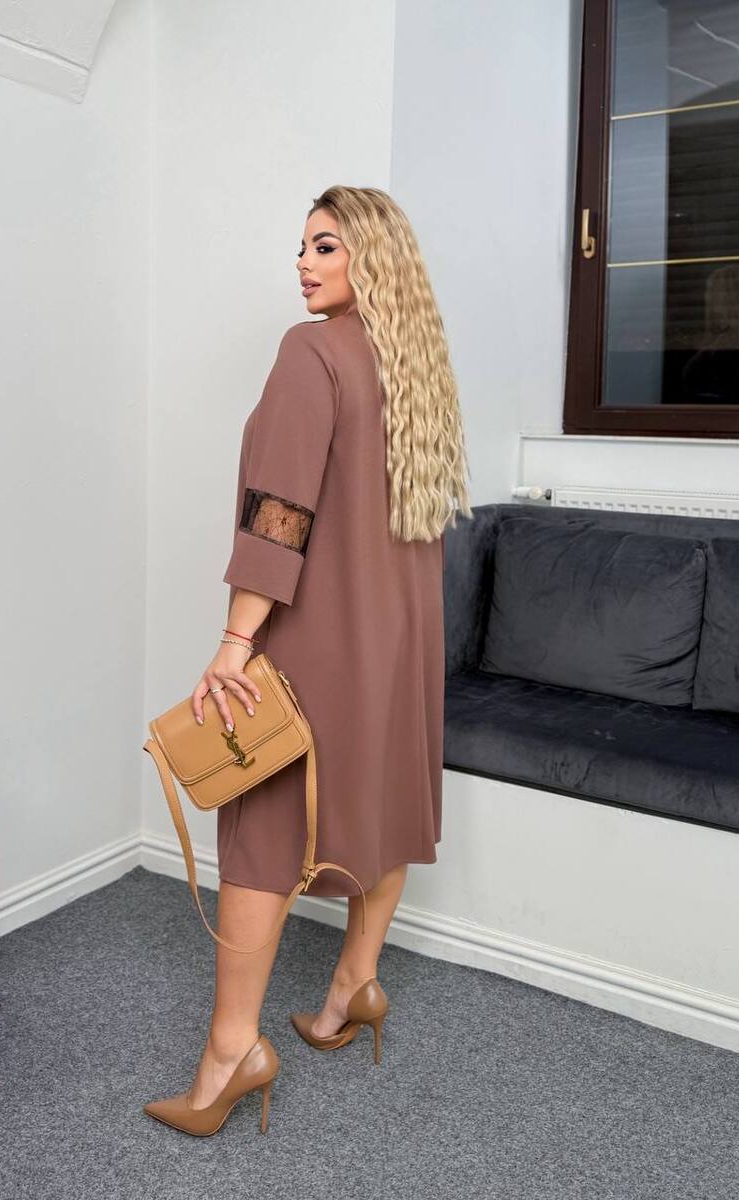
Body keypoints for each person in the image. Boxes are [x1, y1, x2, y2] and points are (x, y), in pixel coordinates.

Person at [143, 185, 472, 1137]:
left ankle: (230, 1056)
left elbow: (280, 513)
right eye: (301, 247)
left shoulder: (311, 351)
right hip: (401, 646)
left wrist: (234, 643)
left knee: (261, 834)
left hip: (320, 639)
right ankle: (350, 993)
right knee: (385, 807)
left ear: (372, 254)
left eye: (325, 245)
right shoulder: (416, 366)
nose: (302, 263)